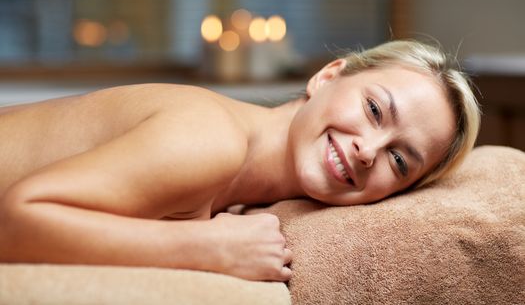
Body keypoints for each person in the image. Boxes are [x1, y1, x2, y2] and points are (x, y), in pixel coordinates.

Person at [0, 40, 480, 282]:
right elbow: (16, 219)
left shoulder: (238, 178)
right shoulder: (211, 139)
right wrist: (210, 249)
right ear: (328, 76)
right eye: (374, 110)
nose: (368, 150)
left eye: (399, 161)